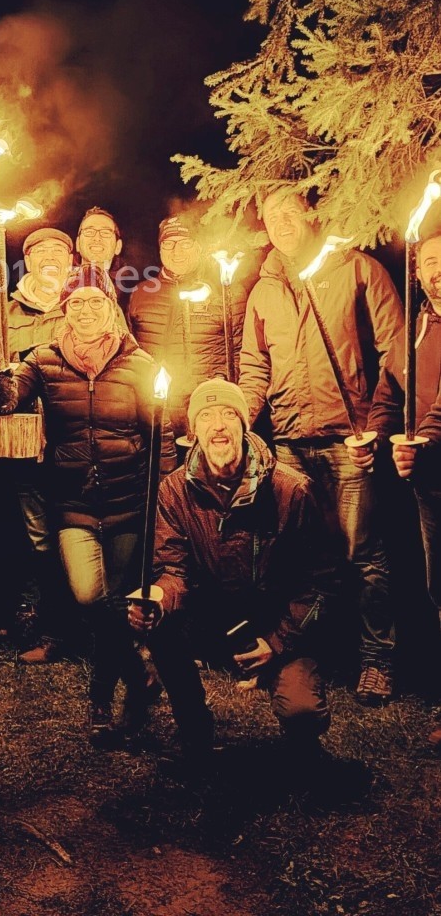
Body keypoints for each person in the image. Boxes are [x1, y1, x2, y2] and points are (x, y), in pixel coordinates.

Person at [0, 263, 159, 747]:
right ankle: (139, 674)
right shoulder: (44, 359)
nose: (84, 311)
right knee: (88, 596)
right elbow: (6, 399)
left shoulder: (138, 363)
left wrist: (162, 493)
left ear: (110, 307)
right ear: (65, 309)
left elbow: (159, 431)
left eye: (94, 302)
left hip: (128, 499)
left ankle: (101, 699)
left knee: (118, 602)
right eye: (75, 303)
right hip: (74, 499)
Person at [239, 187, 403, 704]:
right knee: (301, 556)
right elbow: (255, 368)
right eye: (272, 215)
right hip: (289, 442)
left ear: (311, 214)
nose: (282, 221)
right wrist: (237, 417)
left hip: (348, 439)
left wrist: (377, 423)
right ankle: (308, 654)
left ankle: (377, 660)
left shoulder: (357, 269)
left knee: (362, 555)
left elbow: (396, 351)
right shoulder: (263, 290)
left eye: (290, 210)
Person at [130, 380, 332, 772]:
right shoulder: (174, 491)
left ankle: (304, 747)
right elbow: (173, 571)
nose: (218, 425)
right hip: (214, 621)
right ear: (194, 432)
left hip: (276, 623)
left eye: (228, 414)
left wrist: (276, 643)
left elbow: (322, 583)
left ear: (244, 426)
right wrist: (156, 598)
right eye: (206, 416)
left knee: (302, 709)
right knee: (161, 623)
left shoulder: (290, 490)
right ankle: (194, 730)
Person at [349, 231, 441, 742]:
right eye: (429, 262)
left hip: (431, 461)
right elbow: (390, 391)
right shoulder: (418, 326)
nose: (438, 270)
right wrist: (376, 434)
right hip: (433, 483)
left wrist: (425, 441)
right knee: (438, 584)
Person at [0, 226, 75, 663]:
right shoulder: (4, 315)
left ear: (71, 262)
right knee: (39, 539)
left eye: (59, 251)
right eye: (40, 252)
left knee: (79, 534)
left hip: (75, 442)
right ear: (28, 262)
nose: (50, 258)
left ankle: (94, 628)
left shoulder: (87, 305)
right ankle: (51, 630)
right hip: (24, 446)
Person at [128, 216, 248, 457]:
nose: (177, 251)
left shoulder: (224, 292)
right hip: (157, 411)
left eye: (185, 243)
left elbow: (241, 353)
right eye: (168, 244)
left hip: (207, 410)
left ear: (198, 247)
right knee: (164, 474)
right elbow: (132, 353)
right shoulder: (142, 293)